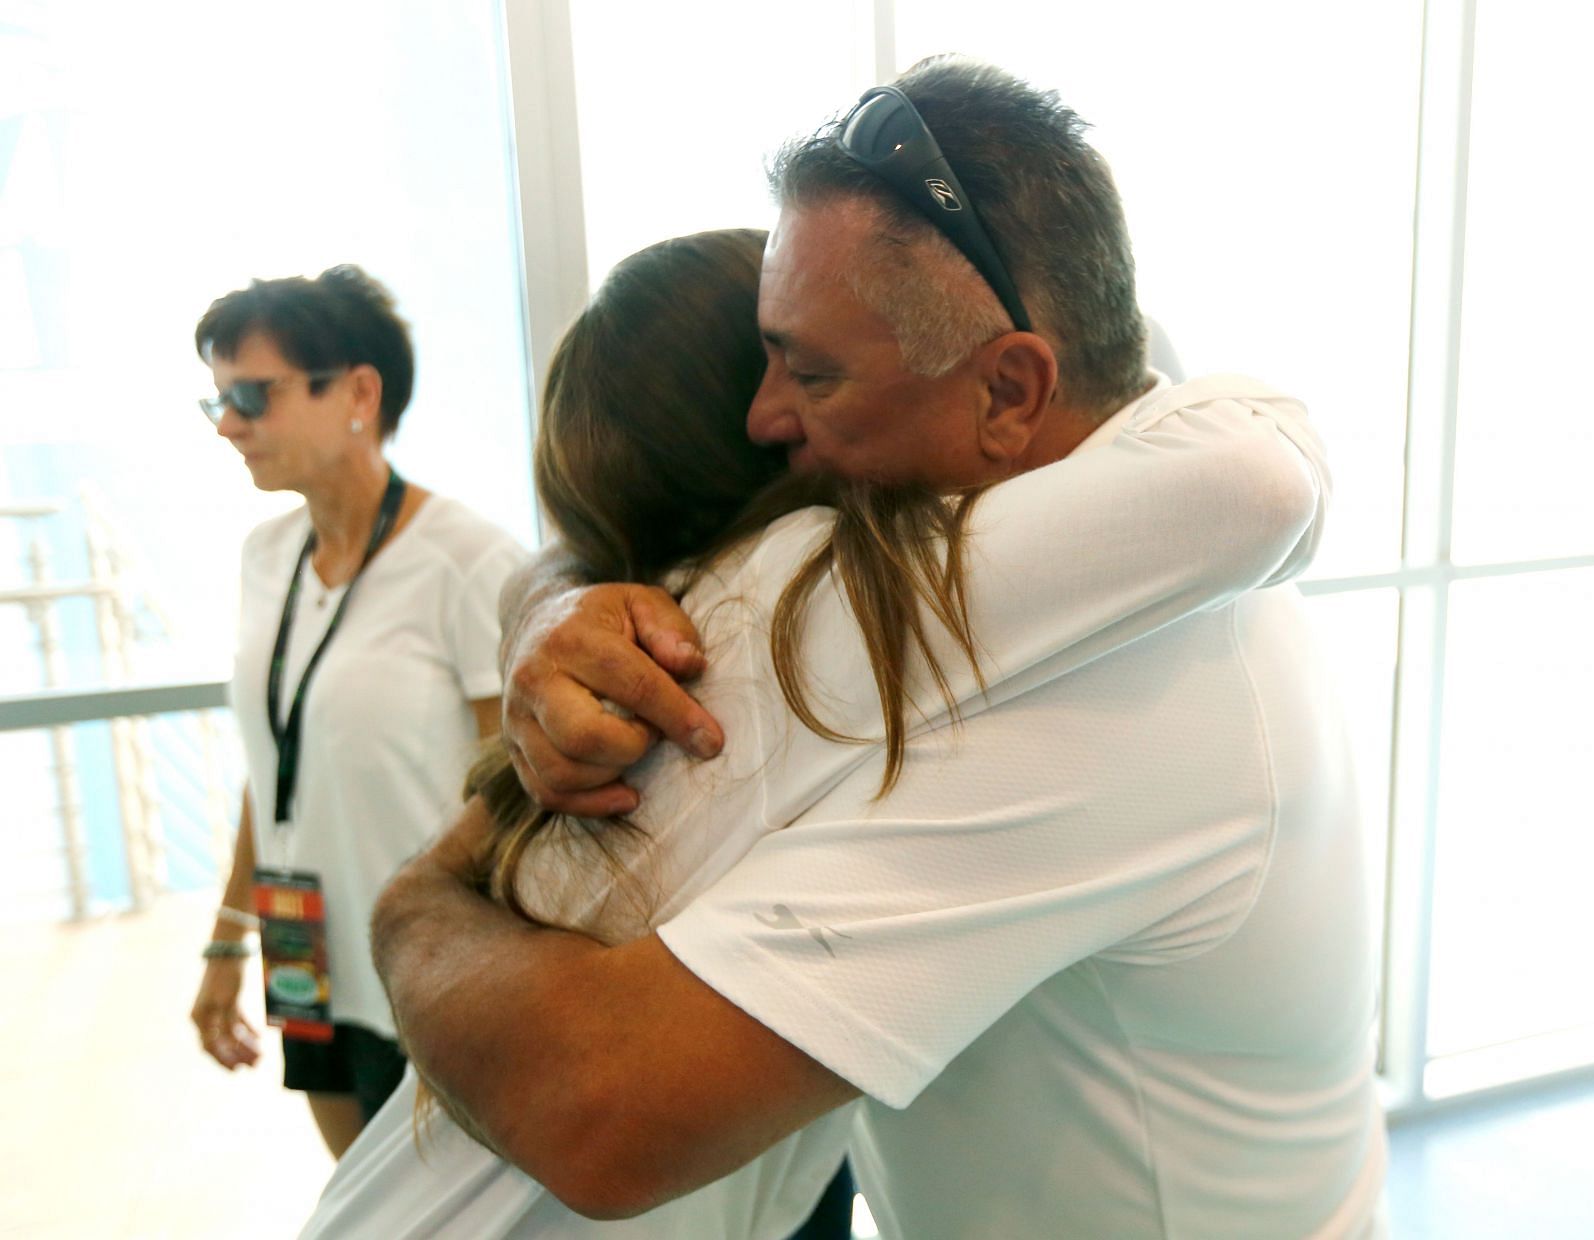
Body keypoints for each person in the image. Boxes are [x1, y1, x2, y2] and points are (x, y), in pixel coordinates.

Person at [373, 57, 1384, 1238]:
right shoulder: (1094, 433)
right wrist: (557, 599)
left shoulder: (1110, 694)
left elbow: (603, 1109)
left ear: (1010, 391)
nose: (766, 416)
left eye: (811, 370)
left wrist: (409, 909)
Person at [188, 265, 528, 1157]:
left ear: (360, 392)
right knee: (352, 1201)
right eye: (217, 401)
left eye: (253, 396)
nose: (229, 425)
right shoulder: (266, 558)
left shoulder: (466, 561)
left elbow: (522, 791)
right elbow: (275, 769)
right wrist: (230, 938)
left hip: (430, 955)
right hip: (300, 935)